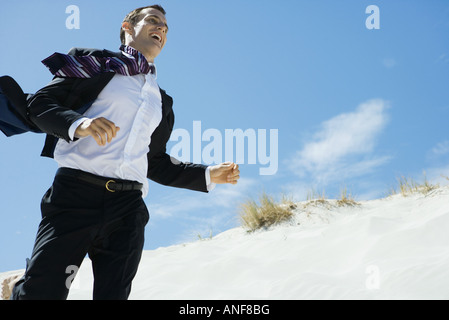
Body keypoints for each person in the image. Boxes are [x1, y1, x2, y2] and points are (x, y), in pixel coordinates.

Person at [2, 4, 240, 300]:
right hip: (75, 194)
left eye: (165, 27)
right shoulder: (92, 63)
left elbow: (155, 162)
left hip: (128, 207)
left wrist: (206, 173)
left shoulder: (162, 101)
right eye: (153, 21)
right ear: (128, 26)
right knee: (42, 294)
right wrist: (80, 123)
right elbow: (39, 105)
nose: (161, 29)